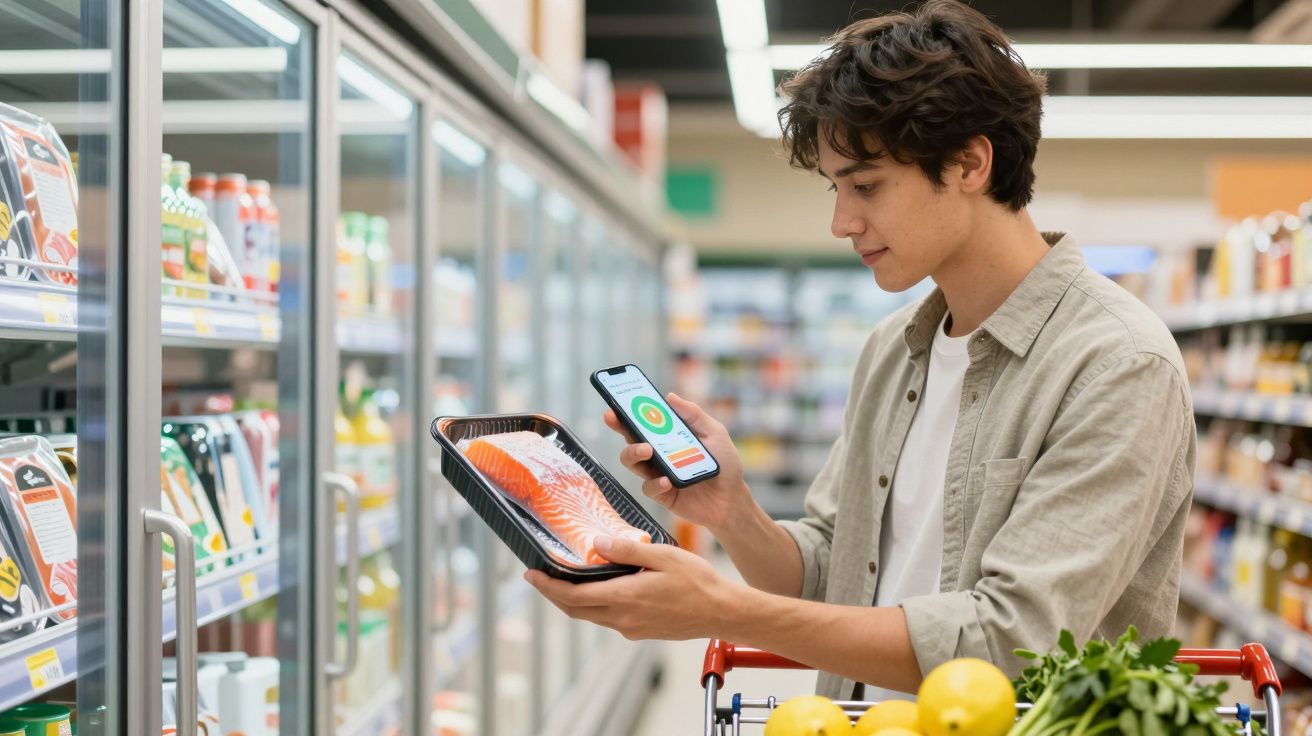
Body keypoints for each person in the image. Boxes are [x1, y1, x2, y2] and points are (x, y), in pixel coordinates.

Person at [525, 0, 1194, 700]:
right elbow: (827, 575)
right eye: (837, 188)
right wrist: (733, 512)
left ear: (970, 162)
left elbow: (1008, 645)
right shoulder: (893, 349)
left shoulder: (1116, 365)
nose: (842, 222)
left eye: (866, 186)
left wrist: (723, 609)